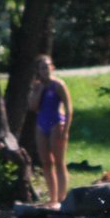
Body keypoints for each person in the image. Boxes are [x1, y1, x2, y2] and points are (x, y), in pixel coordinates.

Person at [27, 55, 74, 208]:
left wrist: (65, 129)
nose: (45, 70)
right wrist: (39, 90)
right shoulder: (37, 86)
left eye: (47, 67)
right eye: (42, 68)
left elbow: (68, 108)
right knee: (46, 163)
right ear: (38, 71)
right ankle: (52, 198)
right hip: (41, 124)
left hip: (56, 123)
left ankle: (62, 197)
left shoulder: (58, 84)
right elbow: (33, 107)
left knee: (59, 162)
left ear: (52, 68)